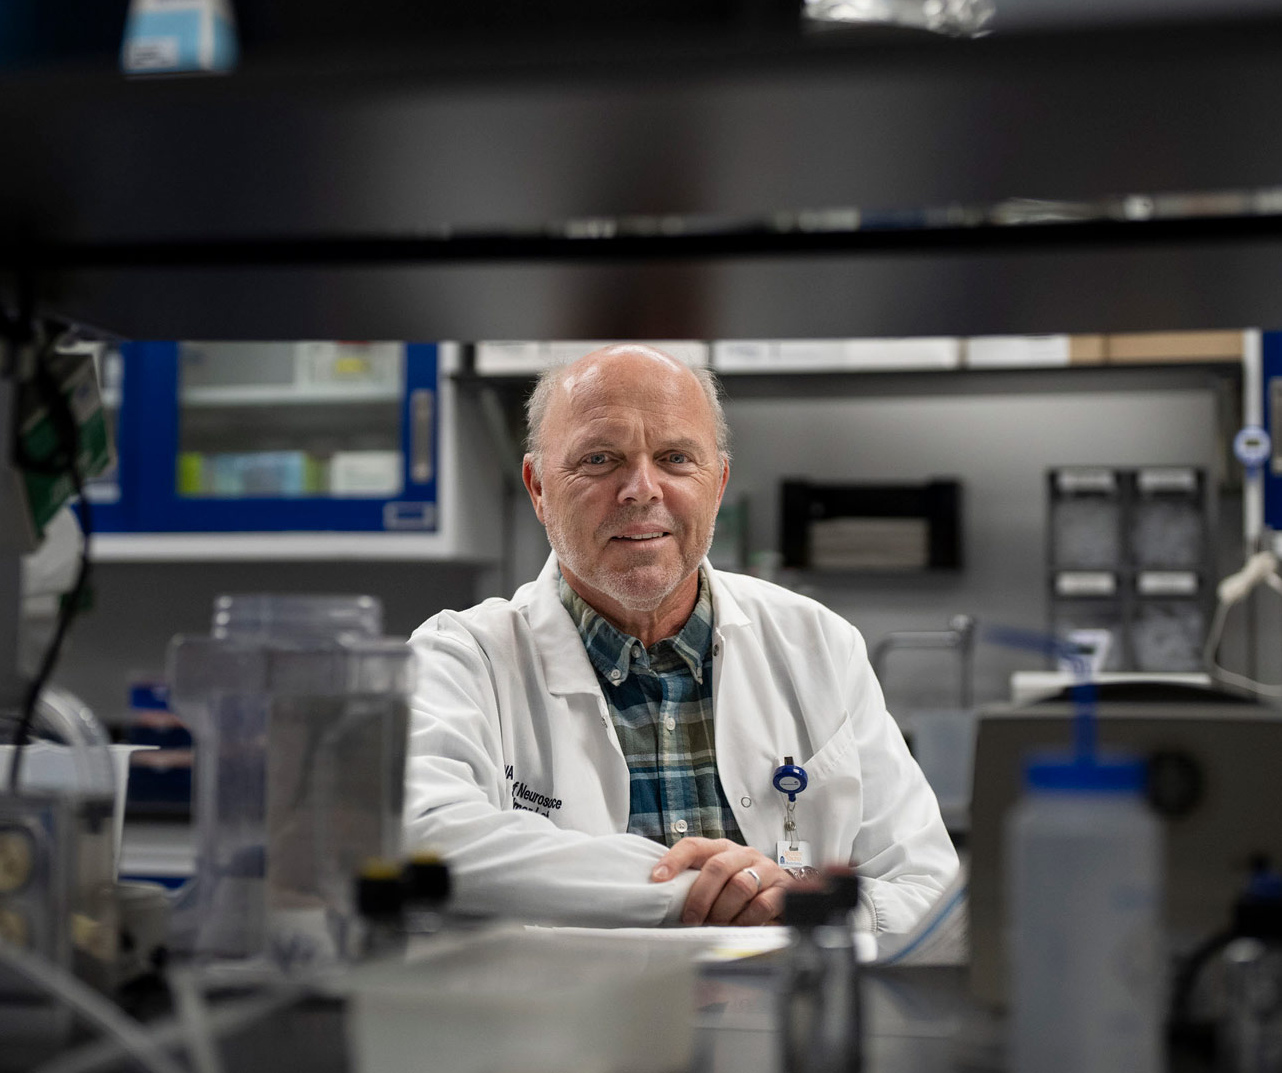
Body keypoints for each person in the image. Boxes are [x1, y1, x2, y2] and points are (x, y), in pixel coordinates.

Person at [405, 345, 958, 956]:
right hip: (560, 1039)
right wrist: (705, 890)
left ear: (717, 483)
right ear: (538, 488)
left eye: (674, 458)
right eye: (599, 459)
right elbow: (426, 839)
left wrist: (797, 908)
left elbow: (932, 898)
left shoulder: (819, 644)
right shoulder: (461, 656)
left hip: (785, 1034)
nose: (641, 490)